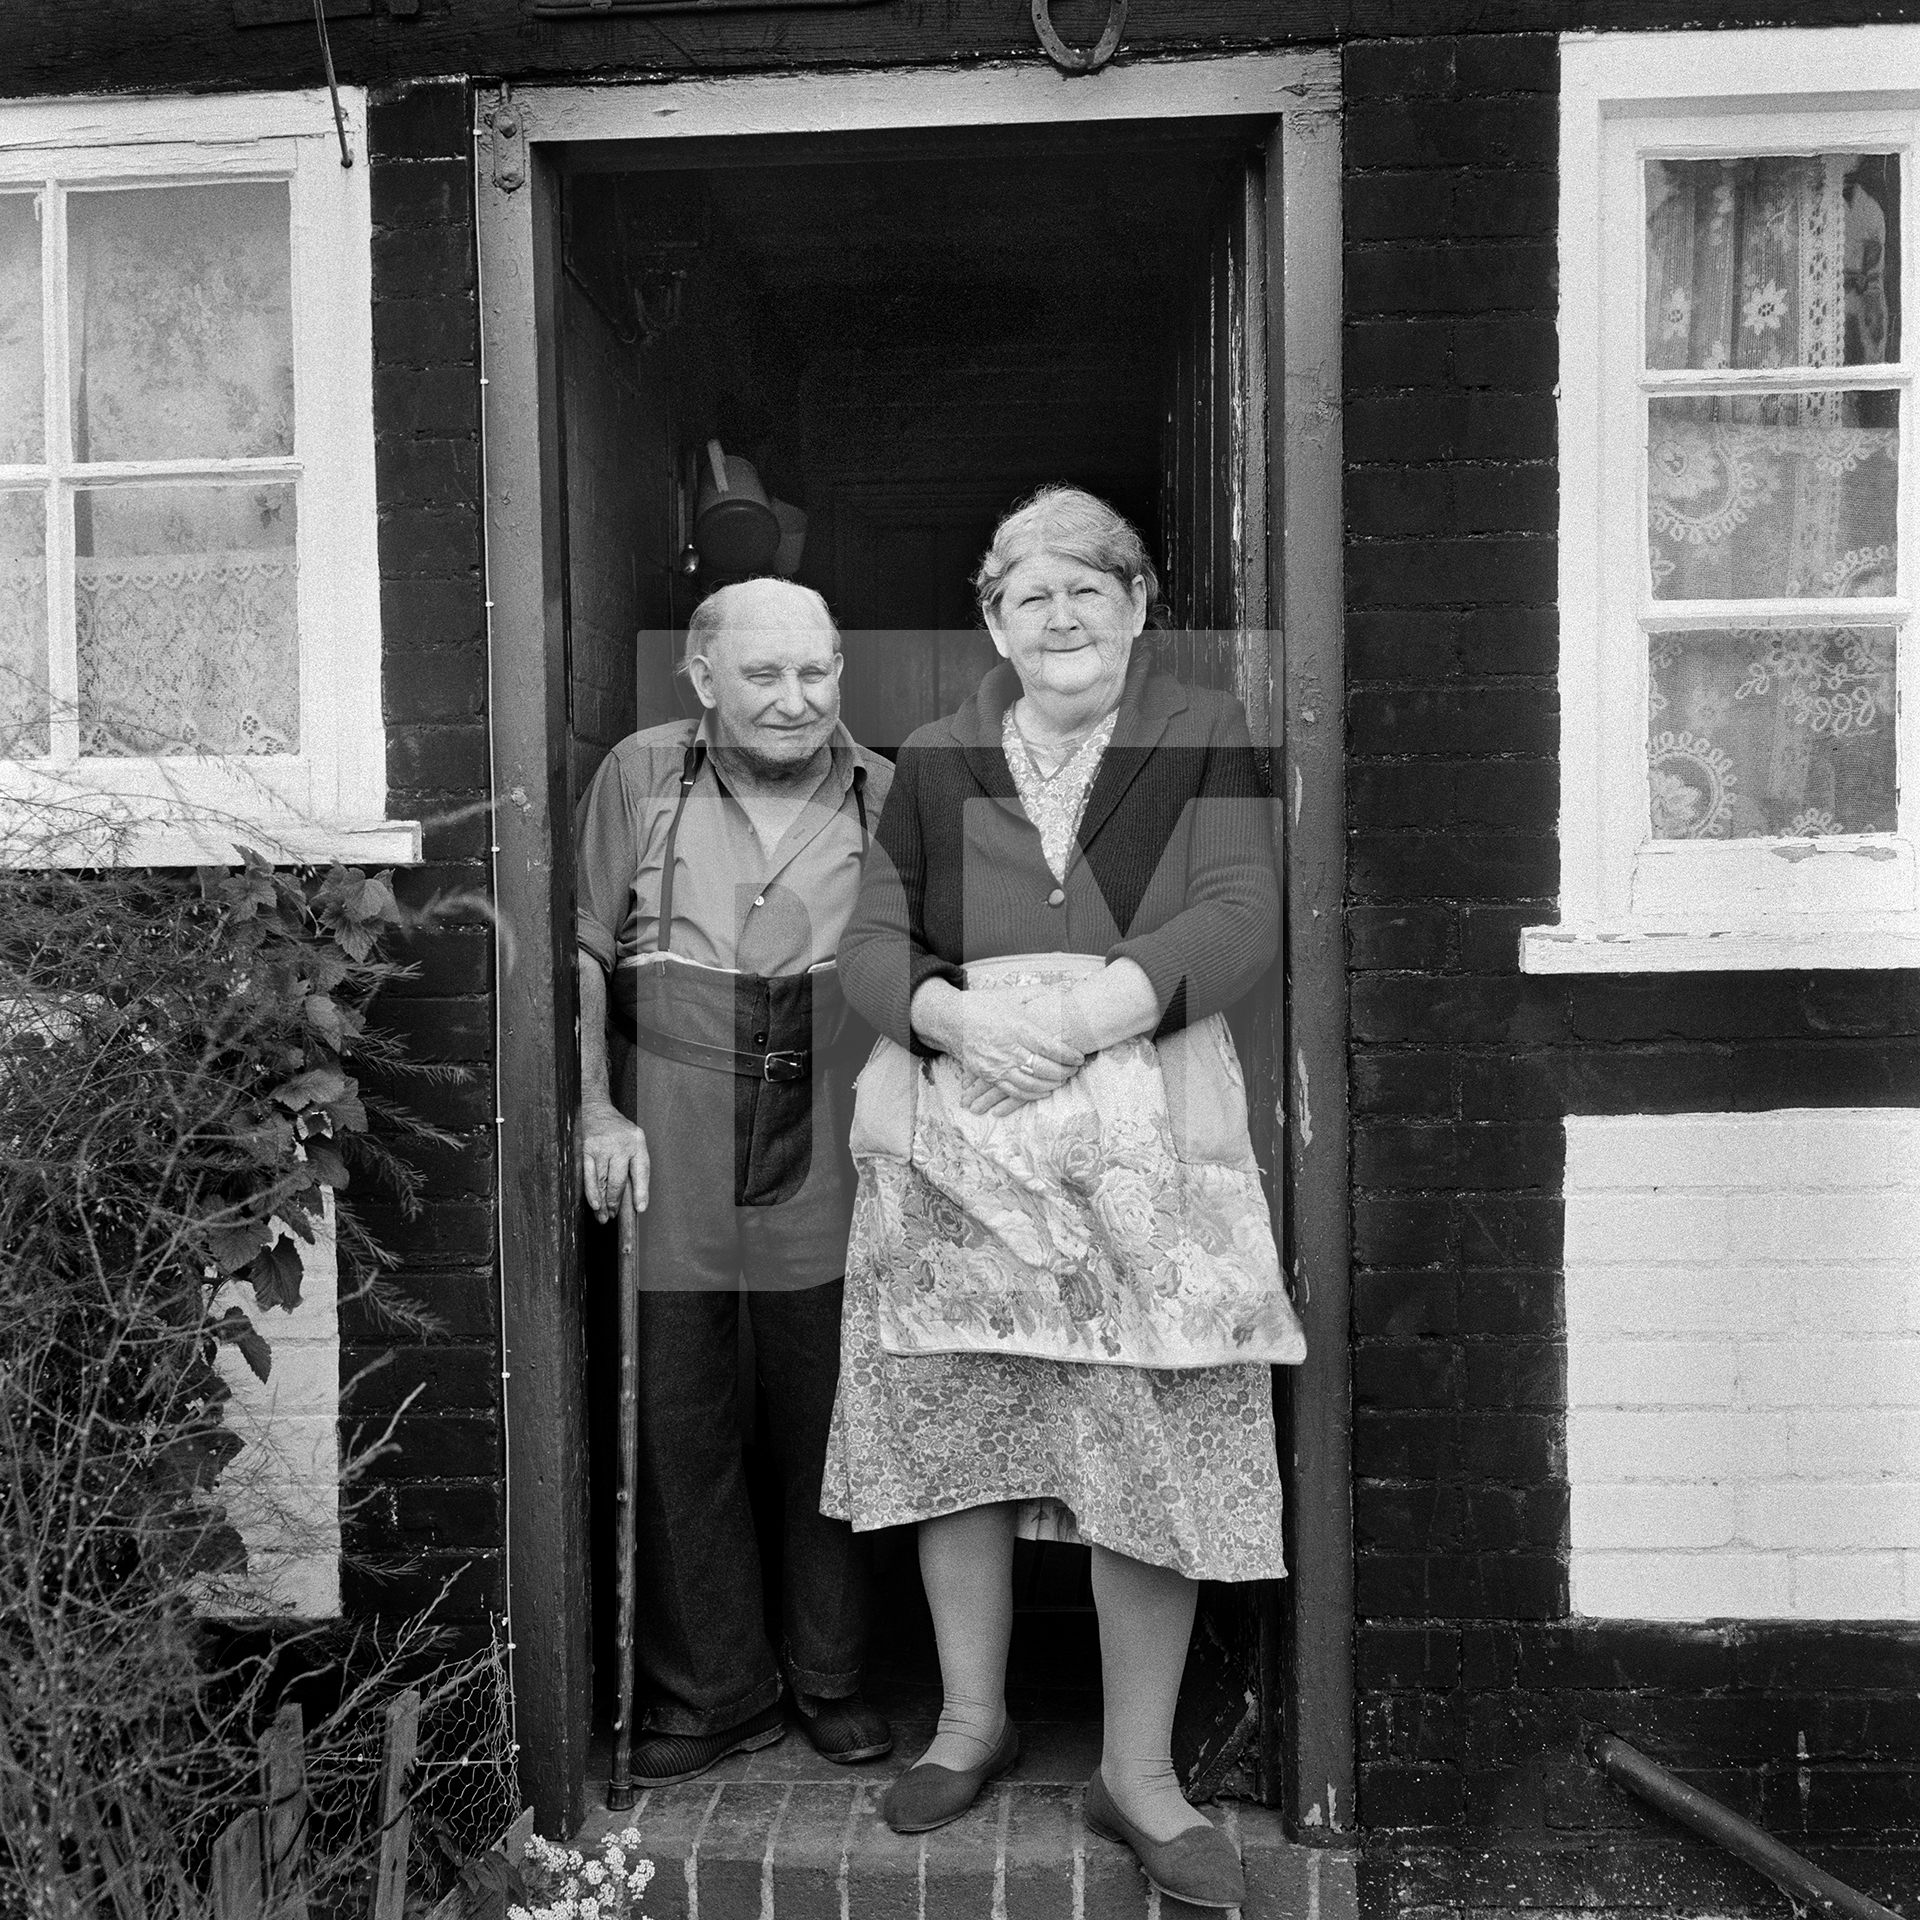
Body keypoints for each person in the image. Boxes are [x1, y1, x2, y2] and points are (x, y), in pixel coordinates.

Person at [824, 488, 1290, 1910]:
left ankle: (1139, 1775)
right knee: (961, 1409)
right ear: (994, 622)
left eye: (1091, 589)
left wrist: (1093, 1011)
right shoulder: (940, 750)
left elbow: (1240, 906)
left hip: (1145, 1133)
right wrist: (946, 1019)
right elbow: (872, 935)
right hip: (968, 1136)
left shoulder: (1199, 728)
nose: (1063, 617)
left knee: (1148, 1419)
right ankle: (974, 1721)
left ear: (1138, 606)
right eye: (1032, 596)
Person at [575, 577, 895, 1785]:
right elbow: (583, 950)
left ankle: (833, 1675)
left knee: (834, 1397)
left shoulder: (885, 789)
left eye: (815, 673)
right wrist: (595, 1105)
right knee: (676, 1396)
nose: (794, 699)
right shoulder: (639, 773)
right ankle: (712, 1692)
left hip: (831, 1103)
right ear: (702, 677)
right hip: (674, 1097)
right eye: (763, 676)